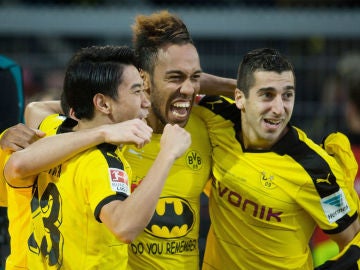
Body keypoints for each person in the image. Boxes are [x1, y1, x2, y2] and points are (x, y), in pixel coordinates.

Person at [22, 10, 236, 270]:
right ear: (143, 79)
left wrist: (230, 87)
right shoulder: (114, 133)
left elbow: (259, 99)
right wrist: (103, 133)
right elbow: (37, 111)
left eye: (195, 77)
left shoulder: (205, 125)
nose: (190, 89)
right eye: (175, 77)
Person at [3, 45, 192, 269]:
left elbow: (36, 109)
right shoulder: (103, 163)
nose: (146, 102)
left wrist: (81, 107)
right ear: (103, 103)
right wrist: (167, 154)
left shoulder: (52, 130)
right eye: (136, 91)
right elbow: (124, 226)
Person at [196, 48, 360, 269]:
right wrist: (237, 87)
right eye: (267, 95)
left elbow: (353, 239)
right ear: (239, 98)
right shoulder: (217, 116)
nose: (279, 109)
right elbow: (181, 84)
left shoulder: (315, 169)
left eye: (287, 95)